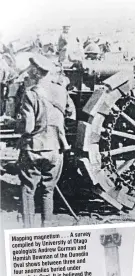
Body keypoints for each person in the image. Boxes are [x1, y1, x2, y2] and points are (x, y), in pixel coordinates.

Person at [15, 54, 76, 228]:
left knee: (28, 190)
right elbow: (71, 114)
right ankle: (46, 228)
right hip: (55, 150)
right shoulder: (61, 91)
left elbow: (28, 127)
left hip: (34, 150)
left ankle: (28, 231)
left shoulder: (30, 94)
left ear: (34, 72)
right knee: (48, 191)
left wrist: (16, 124)